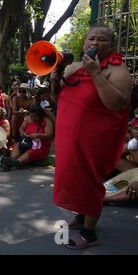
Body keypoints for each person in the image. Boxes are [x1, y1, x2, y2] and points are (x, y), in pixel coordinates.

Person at [51, 26, 132, 250]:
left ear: (112, 46)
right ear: (84, 43)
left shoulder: (117, 70)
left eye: (102, 39)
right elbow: (57, 98)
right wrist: (55, 77)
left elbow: (117, 103)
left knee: (89, 180)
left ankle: (89, 232)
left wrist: (96, 73)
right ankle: (81, 216)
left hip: (94, 138)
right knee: (74, 177)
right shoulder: (76, 68)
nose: (95, 42)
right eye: (91, 38)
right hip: (70, 135)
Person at [4, 105, 53, 170]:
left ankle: (16, 162)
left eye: (35, 117)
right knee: (17, 145)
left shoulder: (47, 121)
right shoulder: (28, 119)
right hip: (26, 140)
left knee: (32, 151)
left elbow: (49, 135)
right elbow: (21, 128)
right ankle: (12, 159)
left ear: (40, 116)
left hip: (40, 145)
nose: (32, 118)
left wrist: (38, 135)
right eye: (31, 116)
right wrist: (22, 132)